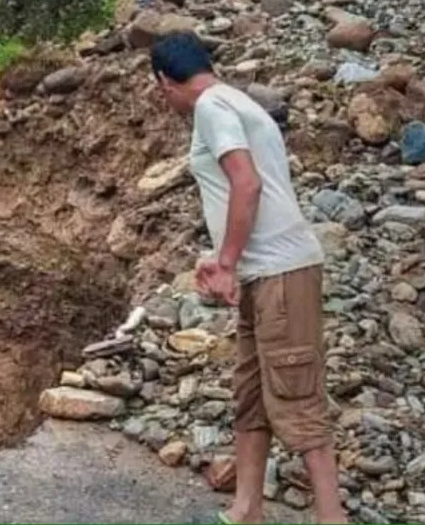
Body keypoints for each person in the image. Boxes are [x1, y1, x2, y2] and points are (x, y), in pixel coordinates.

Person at [148, 32, 345, 524]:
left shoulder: (211, 109)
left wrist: (227, 263)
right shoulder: (234, 99)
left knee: (297, 397)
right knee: (252, 394)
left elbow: (247, 183)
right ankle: (246, 507)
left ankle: (332, 518)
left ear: (164, 81)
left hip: (280, 271)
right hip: (266, 271)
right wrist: (220, 257)